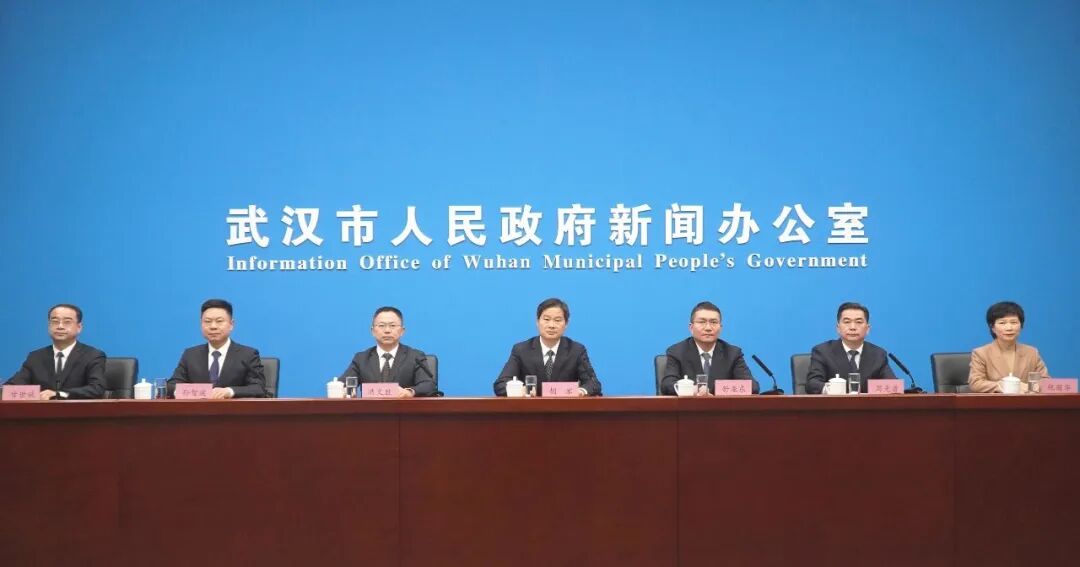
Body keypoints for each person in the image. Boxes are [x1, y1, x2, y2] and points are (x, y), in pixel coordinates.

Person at [494, 298, 602, 397]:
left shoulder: (576, 350)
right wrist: (518, 390)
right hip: (530, 410)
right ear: (537, 321)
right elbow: (500, 384)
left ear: (566, 324)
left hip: (565, 409)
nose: (551, 325)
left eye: (557, 320)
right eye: (546, 319)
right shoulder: (521, 350)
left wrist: (580, 391)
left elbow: (593, 383)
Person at [168, 299, 266, 399]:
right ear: (201, 324)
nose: (213, 326)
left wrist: (229, 391)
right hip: (199, 408)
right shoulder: (190, 355)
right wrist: (195, 392)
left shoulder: (248, 354)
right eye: (207, 321)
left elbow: (258, 388)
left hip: (233, 408)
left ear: (231, 324)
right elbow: (171, 386)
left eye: (219, 321)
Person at [4, 304, 106, 400]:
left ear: (79, 327)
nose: (60, 326)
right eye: (55, 321)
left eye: (67, 322)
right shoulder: (35, 357)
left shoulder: (93, 355)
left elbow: (96, 389)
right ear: (49, 326)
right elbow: (11, 388)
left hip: (78, 411)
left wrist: (59, 394)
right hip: (41, 411)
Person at [660, 301, 758, 395]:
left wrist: (714, 390)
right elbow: (667, 385)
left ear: (720, 327)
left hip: (722, 406)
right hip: (689, 406)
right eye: (702, 322)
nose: (708, 328)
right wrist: (691, 389)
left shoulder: (732, 354)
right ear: (691, 327)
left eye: (714, 322)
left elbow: (752, 386)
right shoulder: (677, 352)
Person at [339, 306, 435, 397]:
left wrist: (410, 392)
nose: (387, 330)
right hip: (370, 409)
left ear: (402, 331)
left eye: (392, 325)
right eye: (381, 325)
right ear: (372, 331)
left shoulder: (415, 356)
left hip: (403, 408)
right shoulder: (361, 359)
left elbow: (428, 385)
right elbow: (343, 385)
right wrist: (340, 389)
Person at [806, 302, 896, 394]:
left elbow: (892, 385)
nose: (852, 327)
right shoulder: (823, 351)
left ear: (868, 329)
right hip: (835, 403)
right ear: (838, 328)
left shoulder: (878, 354)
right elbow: (812, 384)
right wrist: (832, 389)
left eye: (858, 322)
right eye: (847, 322)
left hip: (868, 403)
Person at [968, 301, 1049, 393]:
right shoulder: (981, 353)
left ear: (1021, 326)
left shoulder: (1032, 352)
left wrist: (1031, 387)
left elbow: (1046, 382)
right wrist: (1005, 386)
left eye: (1014, 322)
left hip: (1026, 401)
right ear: (992, 327)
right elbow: (976, 383)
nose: (1009, 328)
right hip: (996, 401)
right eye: (1002, 323)